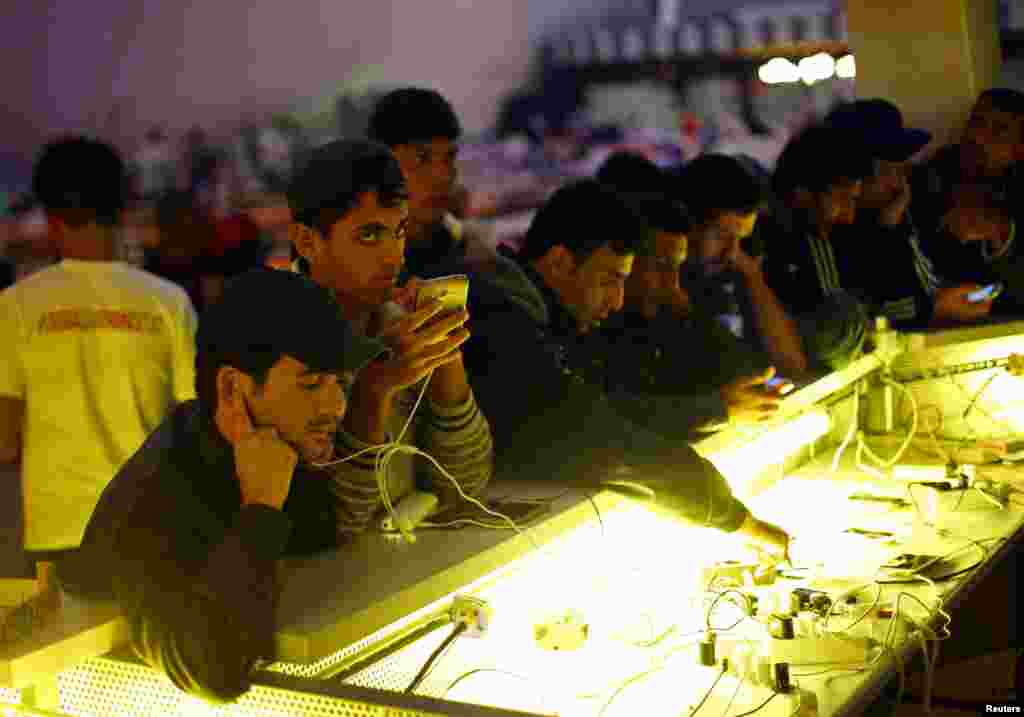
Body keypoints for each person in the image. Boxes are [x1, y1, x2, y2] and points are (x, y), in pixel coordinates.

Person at [67, 269, 387, 702]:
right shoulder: (163, 490)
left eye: (340, 384)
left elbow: (323, 534)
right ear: (232, 388)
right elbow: (211, 671)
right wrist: (261, 509)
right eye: (311, 383)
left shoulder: (273, 448)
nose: (335, 405)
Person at [461, 179, 790, 556]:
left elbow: (606, 408)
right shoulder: (505, 323)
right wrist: (740, 522)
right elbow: (600, 438)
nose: (618, 301)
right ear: (559, 262)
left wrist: (713, 409)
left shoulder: (554, 321)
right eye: (610, 280)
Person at [0, 136, 197, 583]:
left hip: (58, 530)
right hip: (150, 527)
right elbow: (191, 423)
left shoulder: (15, 307)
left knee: (66, 631)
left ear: (50, 217)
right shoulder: (169, 302)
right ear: (122, 208)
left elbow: (6, 442)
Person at [288, 139, 493, 531]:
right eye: (369, 236)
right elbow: (334, 523)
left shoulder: (399, 325)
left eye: (399, 232)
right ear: (308, 242)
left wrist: (445, 356)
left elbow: (465, 487)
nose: (394, 256)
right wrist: (374, 388)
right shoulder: (272, 343)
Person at [576, 152, 786, 440]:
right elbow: (603, 418)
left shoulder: (700, 286)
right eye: (722, 236)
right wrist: (715, 408)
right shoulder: (591, 320)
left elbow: (756, 368)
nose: (733, 253)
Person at [824, 99, 995, 328]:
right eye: (887, 170)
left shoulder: (907, 207)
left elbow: (932, 278)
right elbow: (878, 310)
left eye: (901, 168)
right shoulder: (835, 231)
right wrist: (934, 308)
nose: (898, 182)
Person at [668, 154, 808, 378]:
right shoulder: (666, 286)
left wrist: (753, 277)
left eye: (741, 239)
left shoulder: (737, 271)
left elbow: (792, 365)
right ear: (689, 225)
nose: (732, 253)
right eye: (722, 236)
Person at [758, 125, 876, 371]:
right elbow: (835, 333)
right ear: (802, 193)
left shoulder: (828, 234)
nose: (849, 216)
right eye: (842, 199)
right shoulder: (757, 244)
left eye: (853, 200)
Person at [911, 89, 1024, 317]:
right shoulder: (929, 180)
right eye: (977, 123)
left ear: (1019, 148)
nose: (979, 137)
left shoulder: (1017, 194)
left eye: (999, 130)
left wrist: (1001, 235)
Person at [366, 87, 498, 277]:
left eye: (449, 158)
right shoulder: (358, 267)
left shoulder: (467, 251)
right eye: (421, 159)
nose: (443, 177)